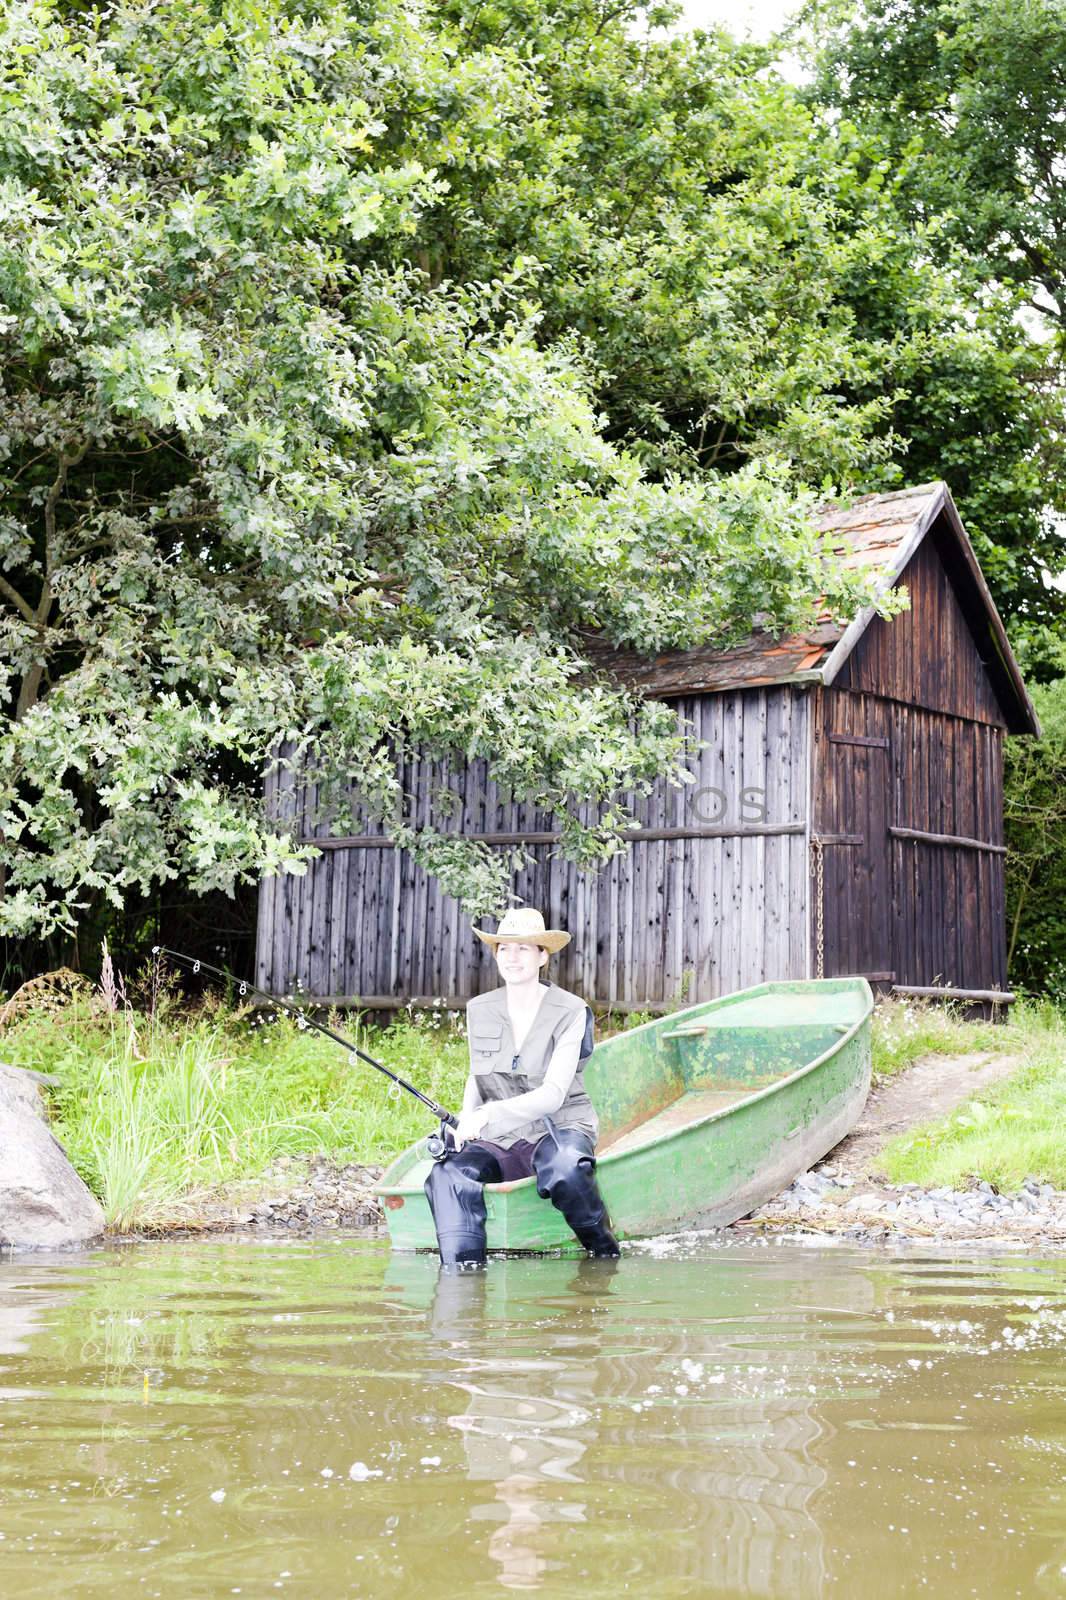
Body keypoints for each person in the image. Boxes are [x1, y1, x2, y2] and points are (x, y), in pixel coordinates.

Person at [424, 908, 620, 1269]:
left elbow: (553, 1094)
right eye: (504, 949)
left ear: (543, 956)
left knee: (567, 1168)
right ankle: (462, 1282)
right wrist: (464, 1123)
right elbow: (476, 1076)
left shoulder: (572, 1011)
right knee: (447, 1174)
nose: (512, 958)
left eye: (524, 949)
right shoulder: (478, 1008)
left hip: (557, 1129)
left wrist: (487, 1116)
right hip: (499, 1139)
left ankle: (604, 1256)